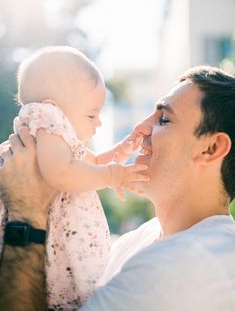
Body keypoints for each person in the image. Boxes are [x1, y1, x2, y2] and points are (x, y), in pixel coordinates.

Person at [1, 65, 235, 311]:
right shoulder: (137, 241)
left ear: (211, 148)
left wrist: (25, 211)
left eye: (164, 119)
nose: (140, 130)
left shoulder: (189, 262)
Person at [0, 46, 149, 310]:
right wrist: (113, 175)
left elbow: (87, 163)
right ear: (53, 110)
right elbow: (61, 173)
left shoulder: (58, 141)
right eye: (91, 115)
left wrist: (116, 153)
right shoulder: (45, 123)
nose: (98, 123)